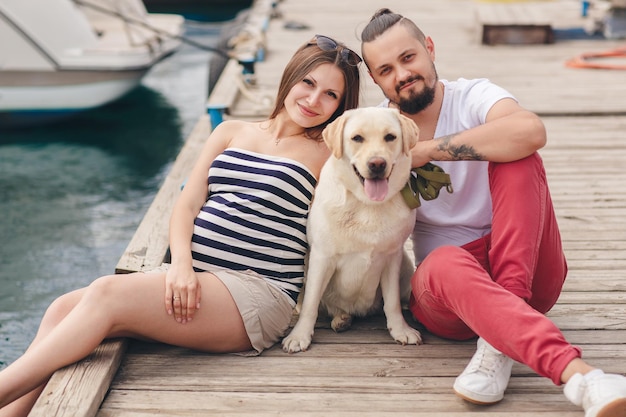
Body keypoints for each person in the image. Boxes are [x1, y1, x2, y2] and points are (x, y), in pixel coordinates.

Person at [0, 34, 362, 417]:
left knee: (105, 293)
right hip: (193, 276)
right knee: (60, 310)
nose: (312, 100)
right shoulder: (231, 131)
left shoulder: (331, 153)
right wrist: (182, 266)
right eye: (309, 83)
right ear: (291, 77)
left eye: (330, 95)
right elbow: (187, 204)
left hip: (256, 291)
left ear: (341, 106)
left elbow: (377, 170)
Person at [360, 8, 626, 417]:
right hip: (448, 297)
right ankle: (581, 377)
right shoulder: (377, 130)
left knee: (519, 155)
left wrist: (425, 152)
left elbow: (531, 131)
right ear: (376, 80)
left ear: (429, 48)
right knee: (443, 261)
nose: (401, 74)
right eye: (385, 69)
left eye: (408, 58)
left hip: (528, 272)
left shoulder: (473, 95)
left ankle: (498, 338)